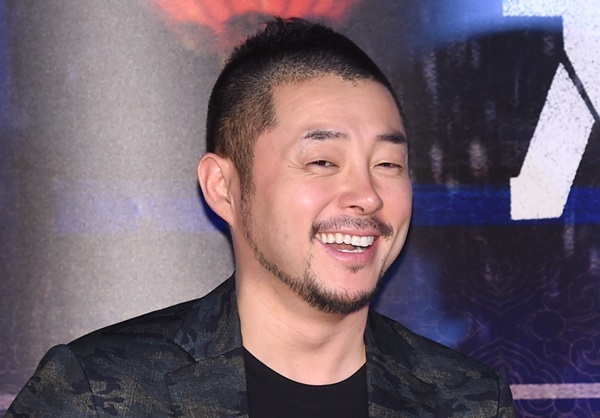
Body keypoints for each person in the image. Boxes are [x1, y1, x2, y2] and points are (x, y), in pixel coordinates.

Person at [6, 17, 515, 417]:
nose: (366, 196)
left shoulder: (467, 400)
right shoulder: (97, 391)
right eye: (322, 162)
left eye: (388, 165)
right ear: (223, 187)